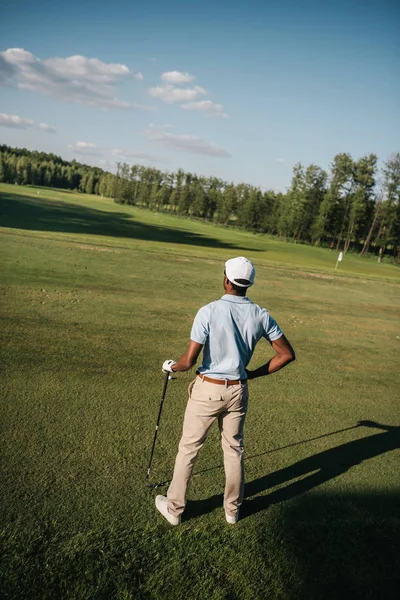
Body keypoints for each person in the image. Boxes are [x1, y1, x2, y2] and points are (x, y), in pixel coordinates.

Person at [156, 256, 295, 525]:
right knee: (234, 450)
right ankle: (232, 510)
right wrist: (252, 374)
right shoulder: (261, 314)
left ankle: (174, 510)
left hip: (208, 390)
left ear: (226, 279)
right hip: (238, 391)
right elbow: (286, 354)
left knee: (188, 449)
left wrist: (170, 367)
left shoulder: (208, 311)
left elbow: (188, 362)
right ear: (248, 284)